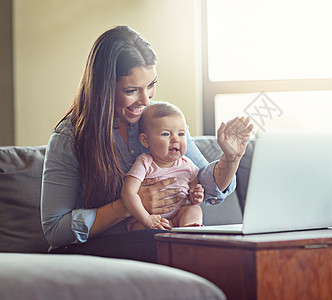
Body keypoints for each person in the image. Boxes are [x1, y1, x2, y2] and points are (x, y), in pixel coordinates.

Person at [41, 25, 253, 263]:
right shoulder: (69, 138)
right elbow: (55, 231)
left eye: (151, 85)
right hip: (92, 251)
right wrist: (130, 204)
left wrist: (230, 159)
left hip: (153, 238)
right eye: (132, 90)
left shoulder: (158, 120)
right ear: (103, 88)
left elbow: (207, 186)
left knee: (212, 247)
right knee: (166, 247)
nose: (145, 100)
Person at [122, 101, 205, 230]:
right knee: (137, 228)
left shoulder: (187, 164)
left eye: (181, 134)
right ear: (145, 140)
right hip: (149, 220)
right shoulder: (145, 162)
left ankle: (190, 233)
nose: (175, 139)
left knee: (194, 209)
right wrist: (147, 219)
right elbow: (128, 193)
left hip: (178, 217)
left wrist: (196, 194)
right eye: (166, 134)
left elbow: (193, 189)